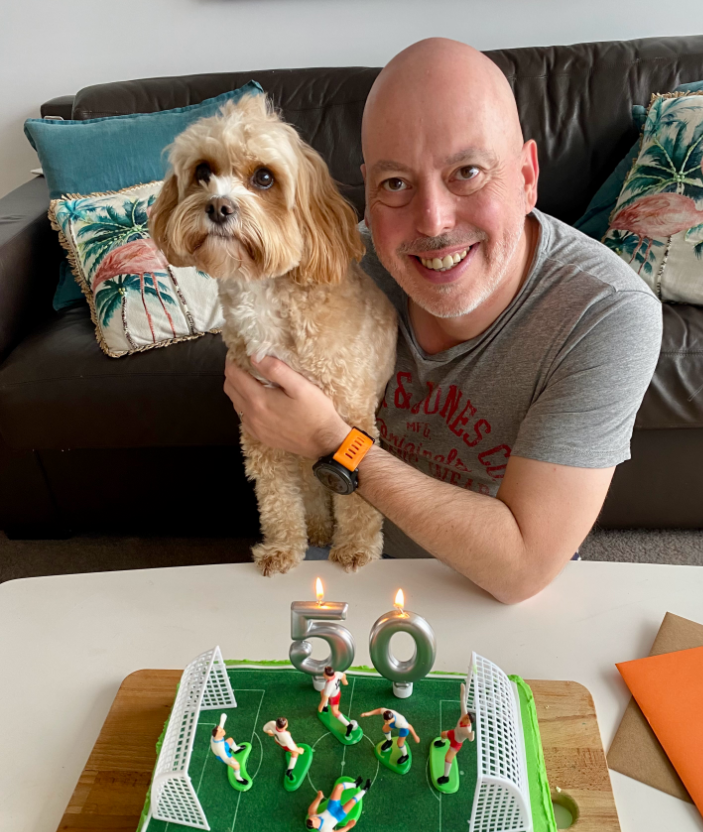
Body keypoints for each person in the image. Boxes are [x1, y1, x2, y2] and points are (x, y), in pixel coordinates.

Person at [223, 38, 662, 604]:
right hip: (351, 566)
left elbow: (520, 569)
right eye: (396, 184)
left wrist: (334, 440)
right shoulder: (348, 267)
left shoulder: (606, 314)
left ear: (528, 176)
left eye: (468, 172)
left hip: (490, 591)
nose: (432, 222)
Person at [434, 682, 475, 784]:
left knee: (448, 758)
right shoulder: (463, 715)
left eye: (467, 718)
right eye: (466, 716)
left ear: (470, 722)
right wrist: (463, 693)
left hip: (456, 743)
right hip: (453, 733)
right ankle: (442, 742)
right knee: (443, 734)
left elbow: (470, 738)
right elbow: (462, 702)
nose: (465, 717)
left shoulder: (467, 730)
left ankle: (445, 776)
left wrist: (471, 735)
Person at [306, 776, 372, 832]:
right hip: (339, 815)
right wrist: (348, 826)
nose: (315, 818)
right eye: (314, 820)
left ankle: (355, 784)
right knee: (352, 801)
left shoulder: (313, 816)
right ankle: (365, 789)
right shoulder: (324, 829)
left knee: (338, 787)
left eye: (313, 818)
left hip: (331, 807)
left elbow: (311, 809)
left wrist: (319, 798)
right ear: (315, 826)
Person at [317, 665, 357, 737]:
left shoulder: (330, 685)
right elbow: (343, 675)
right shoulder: (337, 673)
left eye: (324, 673)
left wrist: (320, 706)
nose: (323, 674)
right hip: (336, 692)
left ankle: (348, 725)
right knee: (322, 692)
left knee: (335, 712)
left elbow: (325, 698)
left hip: (334, 697)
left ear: (327, 675)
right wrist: (345, 681)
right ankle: (325, 708)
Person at [210, 718, 248, 786]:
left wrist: (222, 719)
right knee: (236, 766)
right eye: (221, 731)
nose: (223, 730)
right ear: (218, 735)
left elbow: (220, 726)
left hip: (223, 747)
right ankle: (238, 778)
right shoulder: (219, 747)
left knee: (230, 740)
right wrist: (231, 762)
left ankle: (236, 749)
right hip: (222, 755)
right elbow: (225, 757)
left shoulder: (215, 736)